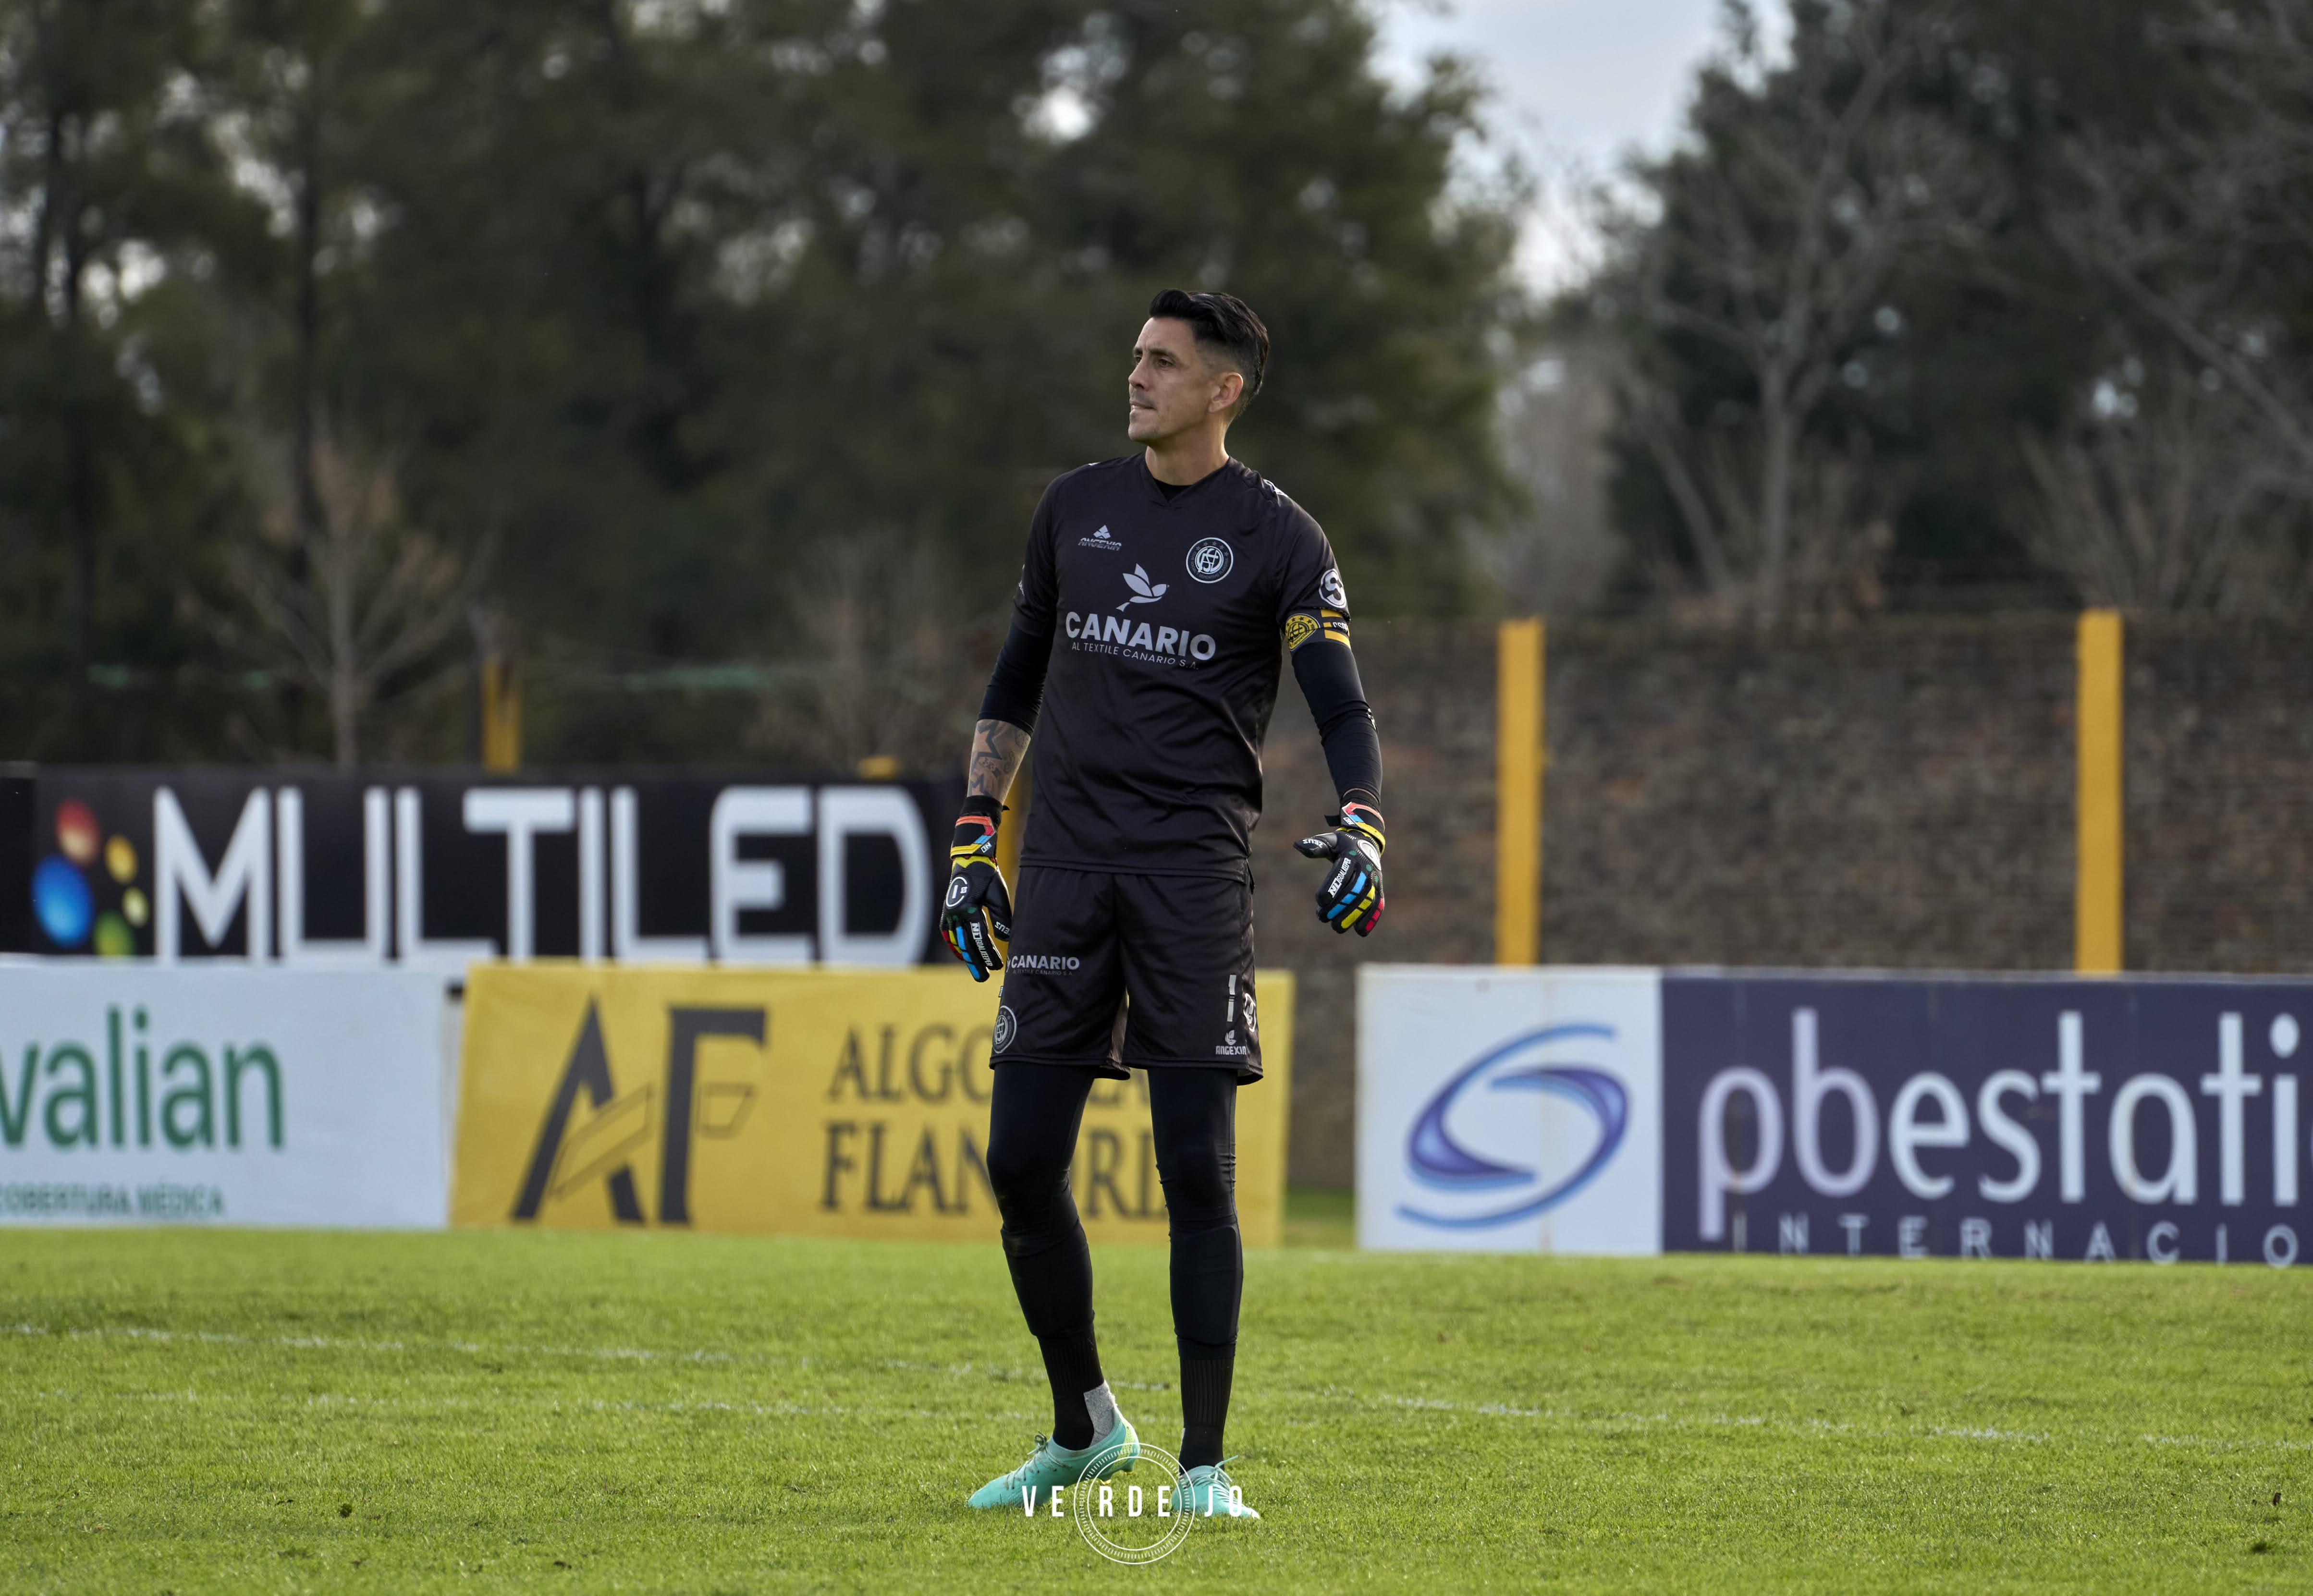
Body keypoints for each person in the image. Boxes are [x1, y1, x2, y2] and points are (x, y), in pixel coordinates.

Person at [941, 289, 1387, 1522]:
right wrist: (976, 835)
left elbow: (1339, 705)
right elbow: (1013, 679)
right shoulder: (1072, 509)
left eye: (1160, 362)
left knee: (1194, 1169)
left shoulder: (1282, 537)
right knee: (1019, 1163)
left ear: (1223, 389)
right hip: (1065, 877)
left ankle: (1202, 1470)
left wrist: (1363, 817)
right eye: (1136, 357)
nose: (1134, 376)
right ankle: (1084, 1425)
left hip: (1192, 879)